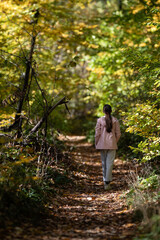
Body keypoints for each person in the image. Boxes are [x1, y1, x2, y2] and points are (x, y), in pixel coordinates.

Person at [95, 104, 121, 190]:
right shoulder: (115, 120)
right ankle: (107, 182)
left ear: (103, 111)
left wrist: (96, 143)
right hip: (112, 144)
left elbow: (97, 134)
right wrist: (114, 142)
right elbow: (118, 134)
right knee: (109, 163)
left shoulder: (99, 120)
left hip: (102, 144)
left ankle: (105, 181)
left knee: (104, 163)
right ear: (111, 111)